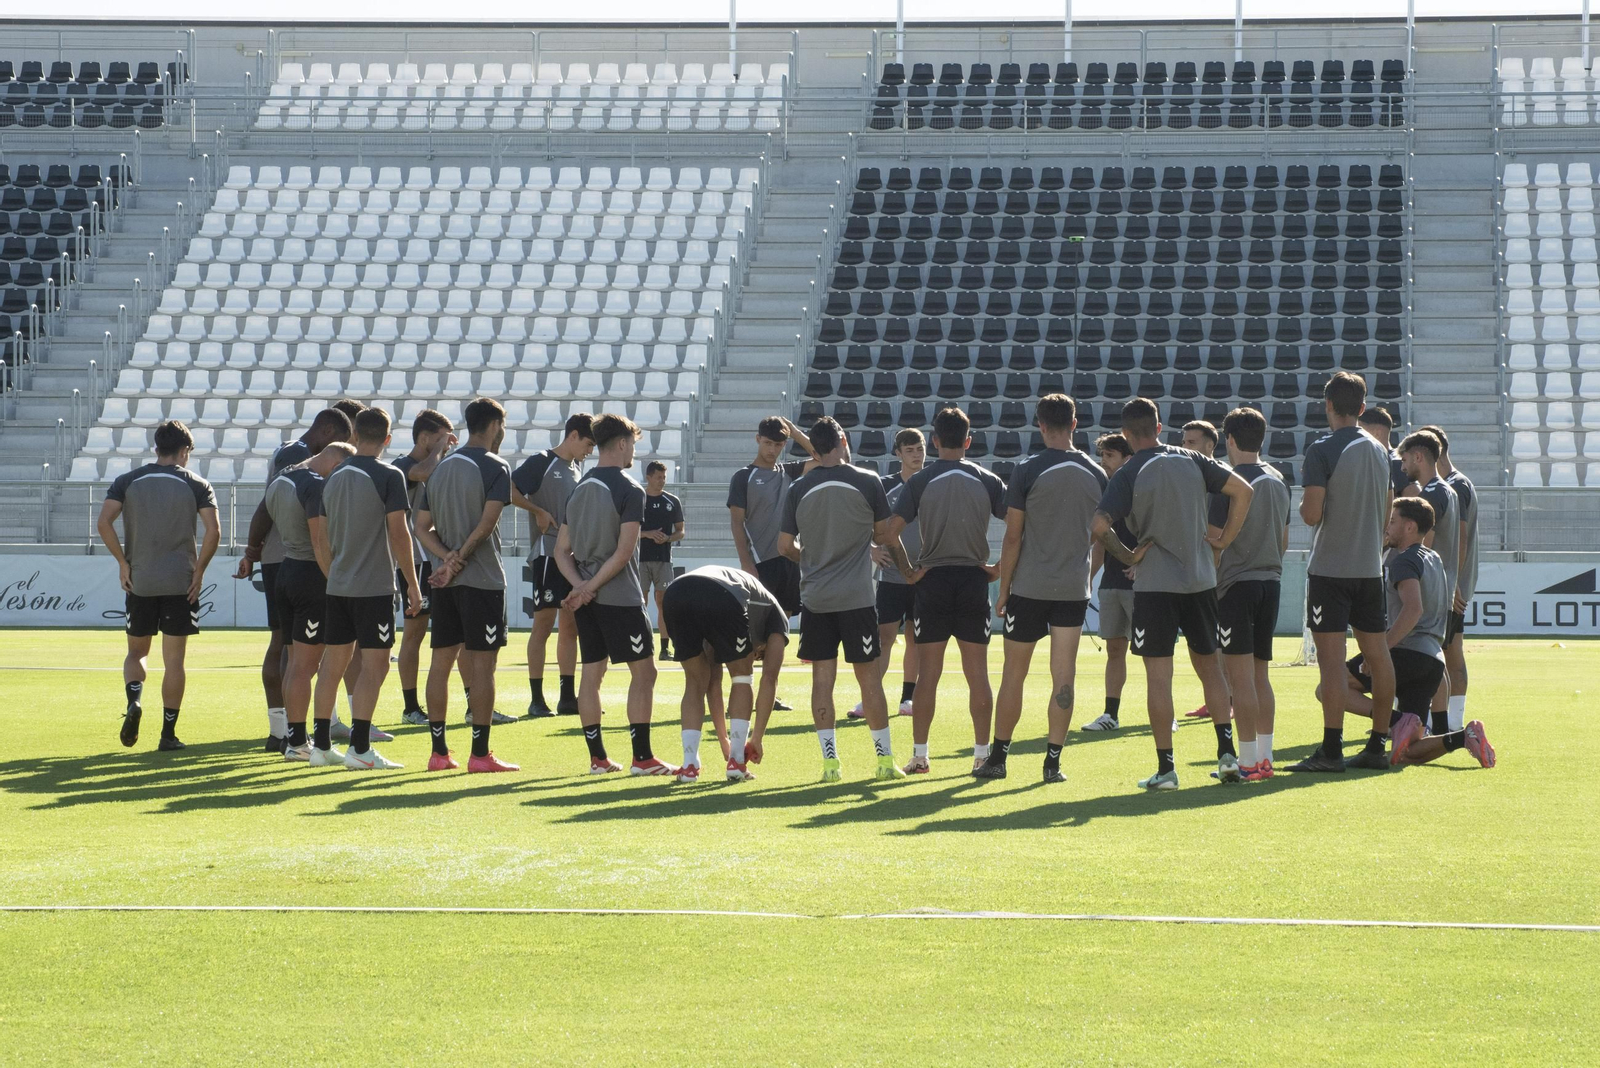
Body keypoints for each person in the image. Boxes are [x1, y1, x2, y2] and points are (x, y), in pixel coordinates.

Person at [1091, 398, 1254, 790]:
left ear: (1128, 435)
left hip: (1155, 586)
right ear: (1160, 427)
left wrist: (1128, 554)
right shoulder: (1193, 459)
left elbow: (1098, 525)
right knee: (1210, 670)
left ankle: (1167, 770)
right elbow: (1244, 490)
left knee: (1158, 679)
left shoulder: (1128, 471)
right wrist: (1221, 543)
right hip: (1199, 581)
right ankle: (1228, 756)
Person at [778, 417, 915, 782]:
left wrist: (810, 556)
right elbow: (884, 534)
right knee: (869, 680)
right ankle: (885, 762)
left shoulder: (798, 487)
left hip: (817, 599)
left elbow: (783, 546)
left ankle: (830, 765)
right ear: (841, 440)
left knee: (822, 681)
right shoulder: (867, 480)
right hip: (856, 597)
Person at [979, 394, 1106, 783]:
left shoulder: (1027, 470)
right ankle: (1052, 762)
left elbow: (1013, 536)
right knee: (1063, 676)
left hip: (1029, 588)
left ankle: (999, 758)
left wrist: (1003, 590)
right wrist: (1085, 577)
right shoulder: (1097, 473)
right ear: (1075, 423)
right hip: (1071, 591)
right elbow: (1102, 536)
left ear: (1040, 425)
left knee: (1013, 675)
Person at [884, 406, 1007, 774]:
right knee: (977, 675)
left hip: (933, 581)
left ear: (935, 441)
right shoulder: (987, 479)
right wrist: (998, 569)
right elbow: (1021, 525)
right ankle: (982, 755)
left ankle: (920, 755)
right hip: (973, 580)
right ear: (968, 440)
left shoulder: (919, 482)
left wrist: (909, 571)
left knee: (928, 675)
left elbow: (891, 532)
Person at [1332, 498, 1496, 770]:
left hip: (1405, 653)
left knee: (1330, 687)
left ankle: (1395, 720)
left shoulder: (1403, 562)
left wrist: (1378, 652)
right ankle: (1463, 737)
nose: (1388, 526)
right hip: (1432, 661)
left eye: (1393, 521)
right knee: (1407, 752)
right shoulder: (1435, 560)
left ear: (1409, 527)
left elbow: (1413, 610)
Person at [555, 414, 672, 775]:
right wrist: (588, 587)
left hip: (586, 598)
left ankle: (598, 759)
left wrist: (580, 587)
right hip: (618, 596)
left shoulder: (579, 486)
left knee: (592, 673)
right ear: (621, 444)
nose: (633, 451)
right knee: (645, 673)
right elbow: (623, 554)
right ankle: (642, 757)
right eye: (633, 444)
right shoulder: (630, 488)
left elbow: (561, 551)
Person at [1294, 371, 1398, 773]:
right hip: (1369, 569)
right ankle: (1377, 744)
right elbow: (1387, 510)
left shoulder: (1323, 449)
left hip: (1331, 570)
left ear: (1327, 406)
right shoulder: (1380, 450)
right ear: (1361, 406)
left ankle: (1332, 749)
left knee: (1331, 663)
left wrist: (1307, 508)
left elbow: (1312, 512)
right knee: (1379, 655)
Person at [308, 407, 421, 771]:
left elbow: (321, 537)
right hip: (373, 587)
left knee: (332, 666)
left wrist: (332, 573)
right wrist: (413, 586)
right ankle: (359, 747)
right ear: (387, 439)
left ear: (354, 435)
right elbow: (400, 533)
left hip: (338, 585)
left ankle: (321, 746)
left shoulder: (333, 475)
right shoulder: (389, 474)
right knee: (376, 665)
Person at [236, 406, 354, 751]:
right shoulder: (309, 477)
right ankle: (295, 737)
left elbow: (264, 511)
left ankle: (291, 734)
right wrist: (334, 581)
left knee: (292, 658)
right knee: (300, 661)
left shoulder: (286, 472)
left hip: (284, 566)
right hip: (304, 569)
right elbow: (318, 540)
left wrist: (251, 551)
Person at [97, 420, 219, 753]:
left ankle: (134, 700)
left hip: (140, 580)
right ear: (185, 451)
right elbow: (214, 532)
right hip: (181, 582)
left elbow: (103, 522)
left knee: (136, 652)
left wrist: (122, 562)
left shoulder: (128, 481)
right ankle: (168, 734)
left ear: (156, 449)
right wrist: (200, 571)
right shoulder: (197, 484)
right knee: (174, 662)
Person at [413, 398, 518, 774]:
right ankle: (480, 754)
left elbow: (420, 528)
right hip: (482, 580)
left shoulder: (437, 471)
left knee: (440, 663)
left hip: (445, 583)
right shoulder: (496, 465)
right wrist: (459, 558)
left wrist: (446, 558)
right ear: (493, 426)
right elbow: (487, 525)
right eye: (502, 427)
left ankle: (439, 752)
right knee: (483, 667)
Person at [1208, 408, 1291, 781]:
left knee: (1238, 677)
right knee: (1260, 675)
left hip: (1236, 585)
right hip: (1270, 581)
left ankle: (1246, 761)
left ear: (1228, 440)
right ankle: (1265, 756)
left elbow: (1213, 541)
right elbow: (1285, 540)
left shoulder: (1228, 481)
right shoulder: (1278, 479)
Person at [662, 565, 790, 783]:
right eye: (760, 654)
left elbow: (714, 682)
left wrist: (724, 740)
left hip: (675, 594)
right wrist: (756, 738)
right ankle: (737, 763)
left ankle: (689, 765)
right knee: (742, 676)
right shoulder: (777, 617)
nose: (757, 656)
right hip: (721, 593)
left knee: (695, 681)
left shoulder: (750, 611)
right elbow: (769, 679)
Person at [728, 415, 819, 715]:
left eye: (779, 444)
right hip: (761, 564)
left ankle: (768, 694)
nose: (773, 449)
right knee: (755, 636)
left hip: (790, 560)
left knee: (778, 634)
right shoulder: (743, 477)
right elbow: (737, 524)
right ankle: (739, 697)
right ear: (757, 440)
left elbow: (823, 458)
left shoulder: (788, 470)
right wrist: (746, 564)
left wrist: (797, 433)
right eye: (768, 443)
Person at [511, 413, 594, 718]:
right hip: (547, 553)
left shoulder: (577, 467)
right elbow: (509, 489)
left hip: (572, 557)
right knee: (543, 625)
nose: (589, 451)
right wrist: (537, 510)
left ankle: (567, 697)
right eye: (587, 444)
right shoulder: (542, 460)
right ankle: (536, 699)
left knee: (569, 624)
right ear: (572, 435)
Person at [853, 428, 924, 720]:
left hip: (923, 575)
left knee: (915, 639)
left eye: (919, 448)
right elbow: (859, 521)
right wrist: (870, 548)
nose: (917, 455)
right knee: (884, 638)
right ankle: (870, 699)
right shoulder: (884, 487)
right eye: (910, 450)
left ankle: (908, 698)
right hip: (892, 577)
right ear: (898, 454)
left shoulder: (931, 482)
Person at [392, 409, 456, 726]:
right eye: (441, 437)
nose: (447, 445)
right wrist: (441, 448)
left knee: (450, 635)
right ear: (424, 438)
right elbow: (420, 472)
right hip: (413, 562)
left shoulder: (439, 466)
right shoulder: (402, 466)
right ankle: (410, 707)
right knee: (414, 634)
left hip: (435, 558)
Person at [1083, 433, 1136, 732]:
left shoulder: (1142, 486)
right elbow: (1100, 543)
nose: (1103, 461)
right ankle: (1110, 715)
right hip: (1113, 584)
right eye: (1102, 455)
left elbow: (1160, 532)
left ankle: (1166, 716)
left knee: (1156, 653)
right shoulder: (1106, 491)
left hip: (1144, 585)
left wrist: (1142, 564)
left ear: (1126, 457)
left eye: (1109, 456)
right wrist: (1087, 580)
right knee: (1115, 650)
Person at [1428, 425, 1478, 733]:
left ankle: (1452, 723)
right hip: (1451, 583)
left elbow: (1459, 538)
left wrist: (1453, 584)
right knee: (1448, 651)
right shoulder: (1460, 482)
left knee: (1449, 653)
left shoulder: (1453, 485)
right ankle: (1445, 722)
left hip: (1450, 586)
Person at [1180, 419, 1230, 722]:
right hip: (1199, 574)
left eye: (1192, 442)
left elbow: (1213, 537)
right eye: (1183, 442)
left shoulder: (1219, 482)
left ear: (1210, 446)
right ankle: (1216, 699)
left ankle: (1225, 700)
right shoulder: (1189, 479)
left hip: (1213, 576)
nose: (1185, 448)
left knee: (1215, 646)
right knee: (1200, 645)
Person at [638, 460, 685, 661]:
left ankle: (665, 649)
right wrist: (647, 534)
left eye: (664, 477)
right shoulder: (637, 499)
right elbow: (625, 530)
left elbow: (681, 531)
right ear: (648, 477)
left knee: (663, 603)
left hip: (664, 560)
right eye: (658, 477)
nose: (662, 481)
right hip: (640, 559)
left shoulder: (672, 501)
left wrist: (668, 538)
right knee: (640, 602)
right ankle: (640, 644)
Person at [1358, 406, 1410, 497]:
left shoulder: (1398, 463)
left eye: (1361, 429)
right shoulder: (1369, 459)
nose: (1357, 434)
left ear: (1377, 433)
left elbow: (1413, 495)